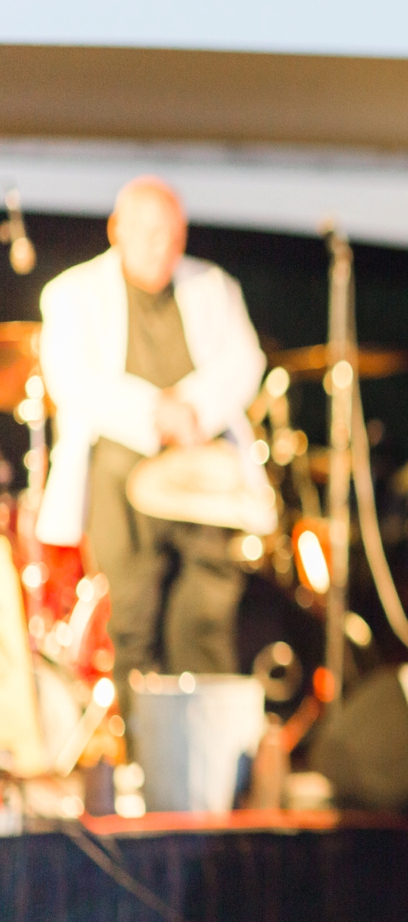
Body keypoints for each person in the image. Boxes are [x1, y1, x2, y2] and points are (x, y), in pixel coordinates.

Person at [37, 177, 265, 697]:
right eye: (148, 233)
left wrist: (193, 410)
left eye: (172, 234)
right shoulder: (73, 293)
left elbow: (244, 360)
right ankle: (136, 754)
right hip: (121, 468)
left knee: (205, 616)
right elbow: (72, 379)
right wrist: (155, 413)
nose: (162, 246)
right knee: (131, 616)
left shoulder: (213, 285)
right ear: (117, 230)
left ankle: (201, 753)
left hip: (200, 472)